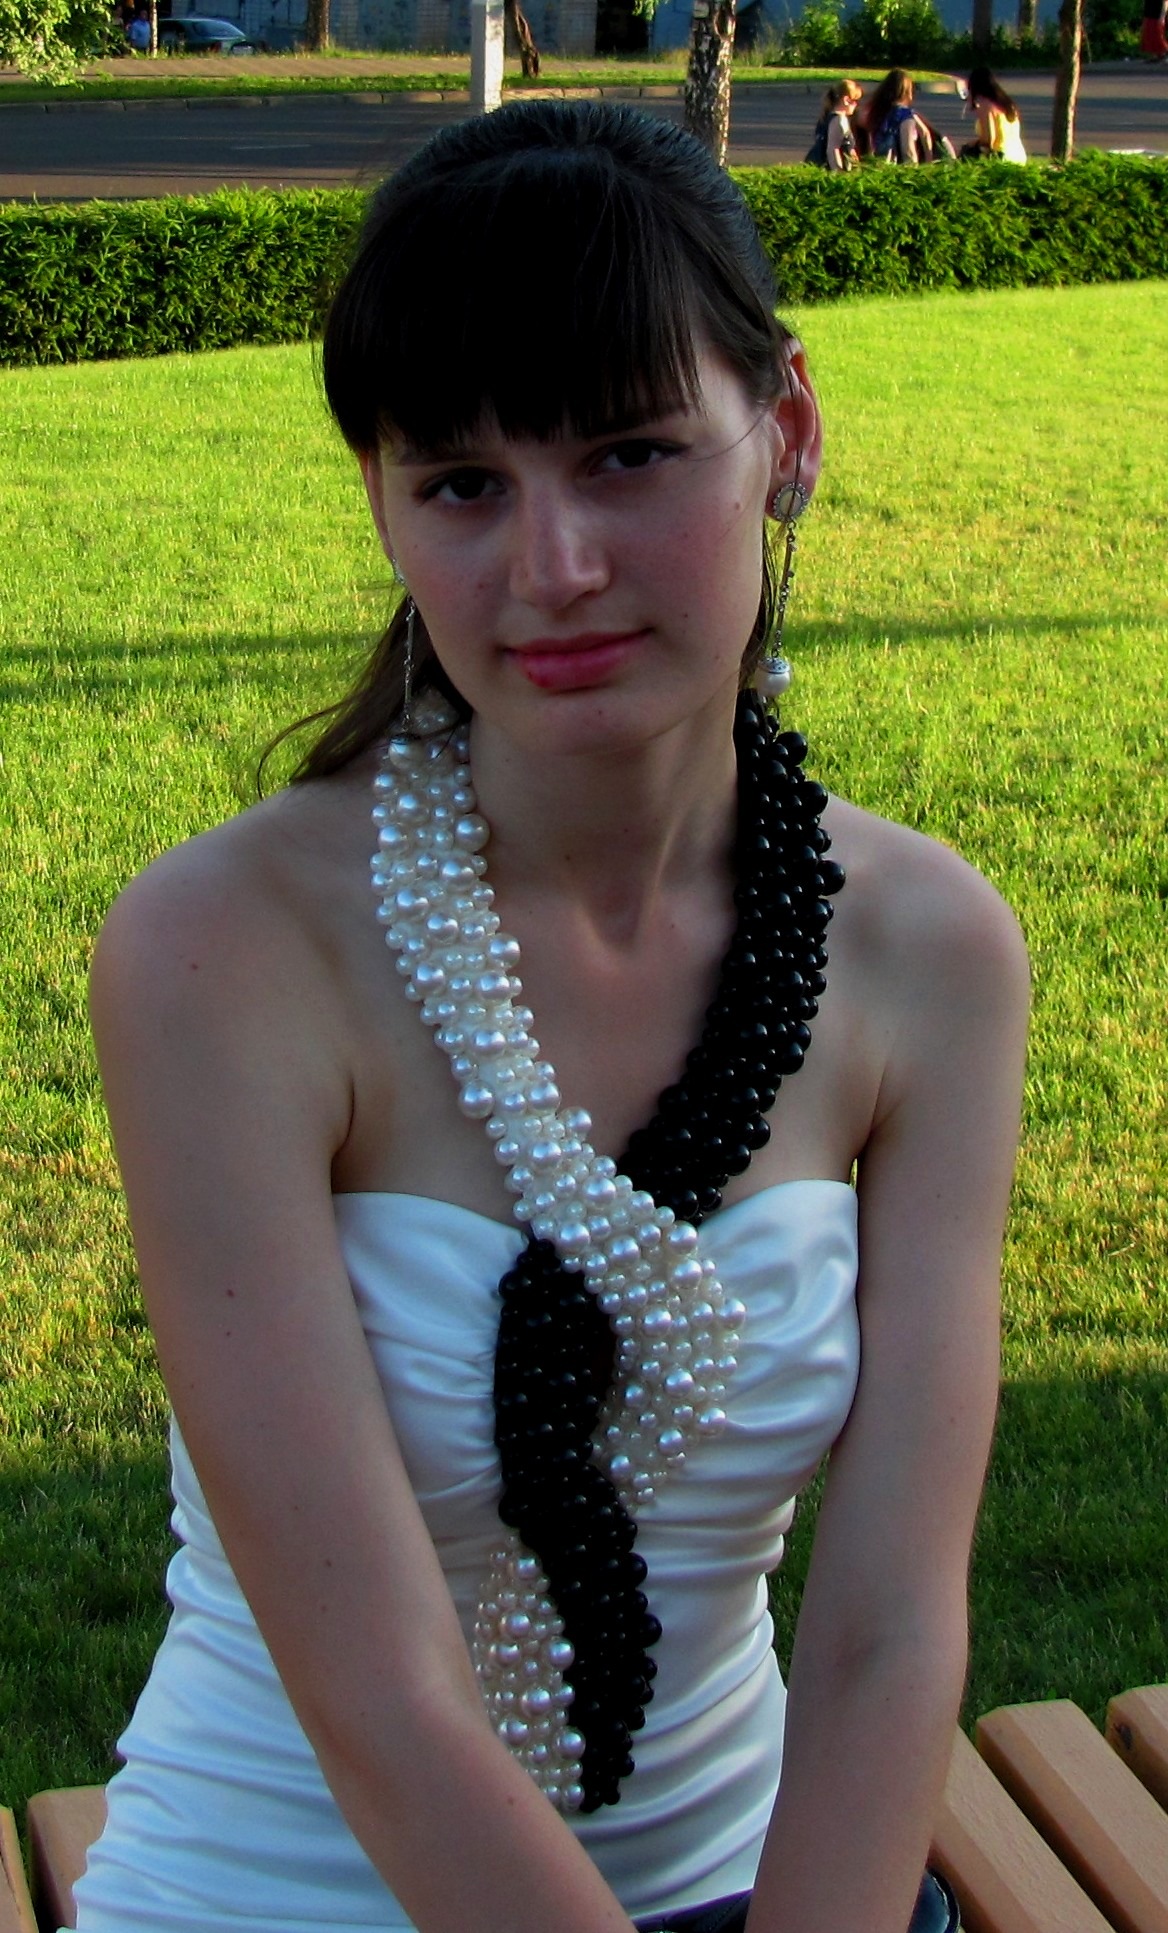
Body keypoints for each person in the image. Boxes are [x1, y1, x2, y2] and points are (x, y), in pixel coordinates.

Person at [78, 101, 1028, 1933]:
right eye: (461, 483)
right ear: (381, 501)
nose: (554, 564)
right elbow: (381, 1690)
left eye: (629, 454)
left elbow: (891, 1623)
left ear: (788, 434)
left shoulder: (927, 953)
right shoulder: (221, 954)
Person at [863, 69, 933, 164]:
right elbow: (909, 148)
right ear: (907, 91)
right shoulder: (905, 114)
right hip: (897, 165)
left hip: (879, 163)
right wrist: (928, 160)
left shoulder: (878, 111)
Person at [962, 68, 1028, 162]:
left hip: (1002, 156)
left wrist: (972, 144)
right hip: (1018, 155)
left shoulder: (984, 105)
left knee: (966, 153)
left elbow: (989, 139)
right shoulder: (1008, 104)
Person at [805, 79, 862, 170]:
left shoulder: (826, 117)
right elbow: (833, 150)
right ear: (846, 100)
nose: (856, 105)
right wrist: (838, 172)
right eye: (855, 100)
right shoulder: (839, 120)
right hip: (828, 168)